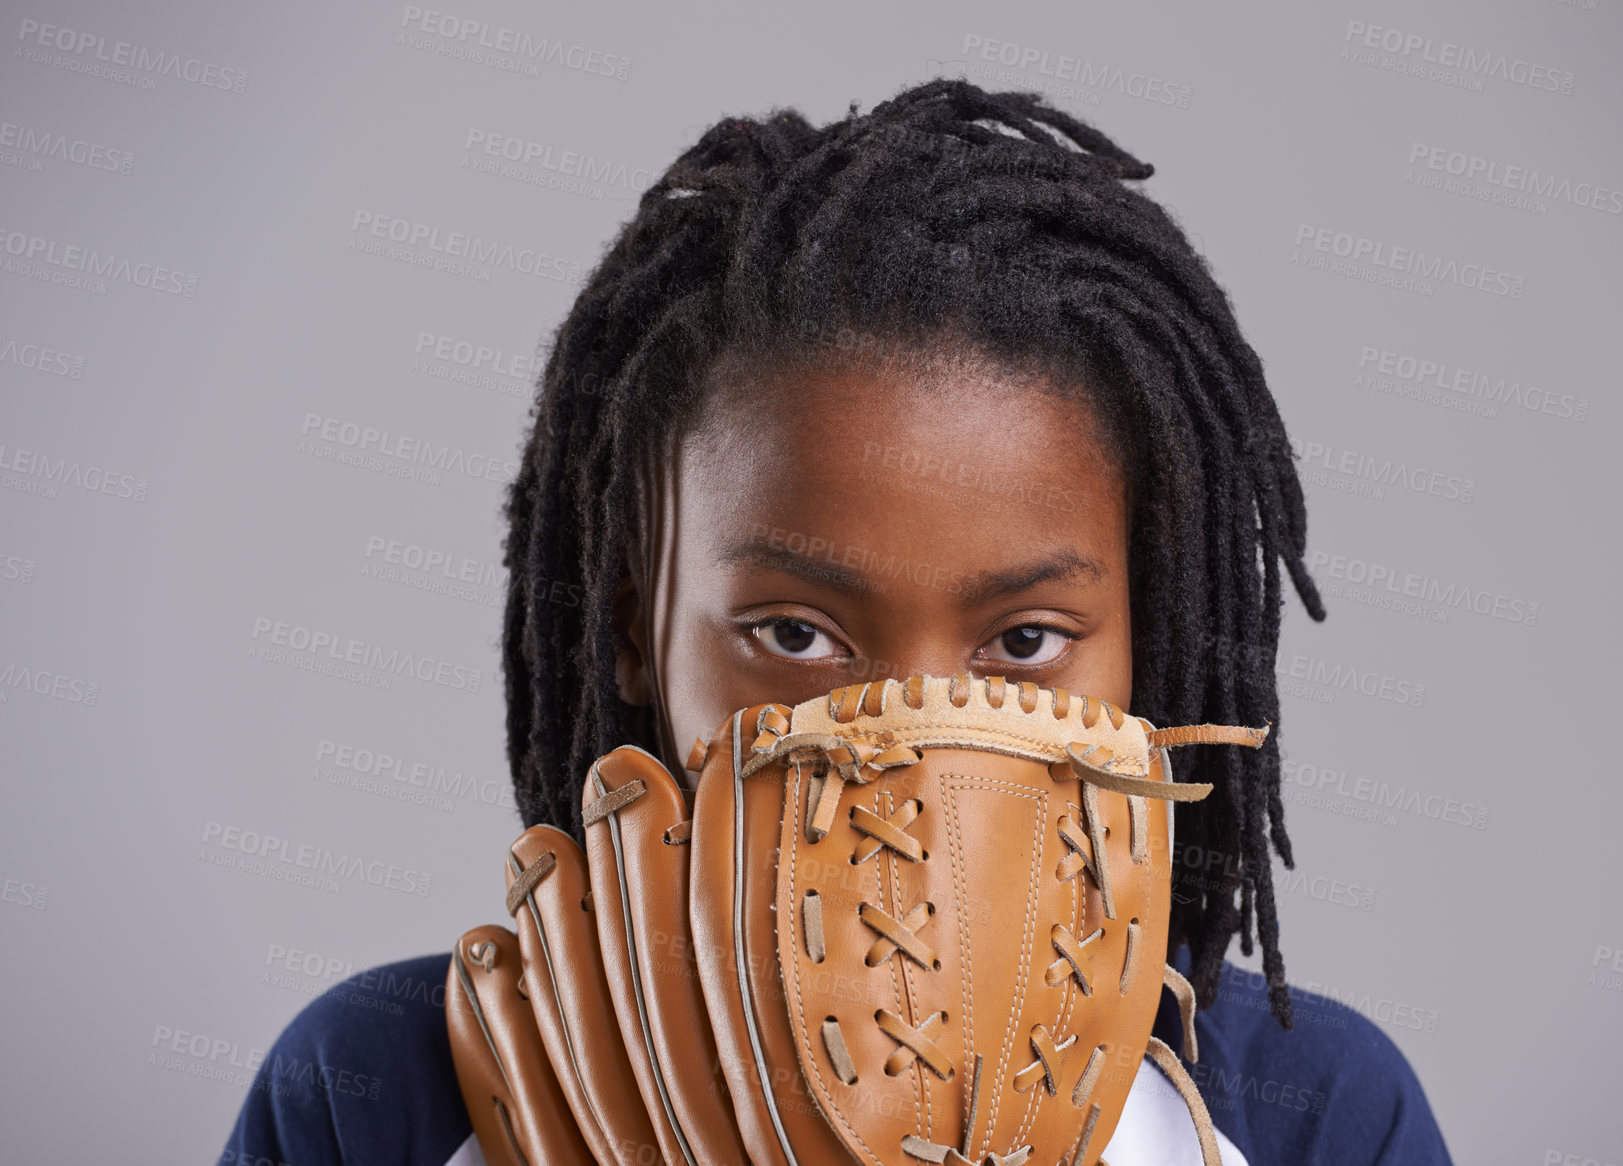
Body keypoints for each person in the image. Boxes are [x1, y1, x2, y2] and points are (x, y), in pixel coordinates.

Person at [221, 78, 1452, 1165]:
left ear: (1148, 652)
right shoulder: (373, 1091)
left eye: (1023, 642)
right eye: (797, 635)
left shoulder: (1317, 1117)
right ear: (629, 630)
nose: (910, 744)